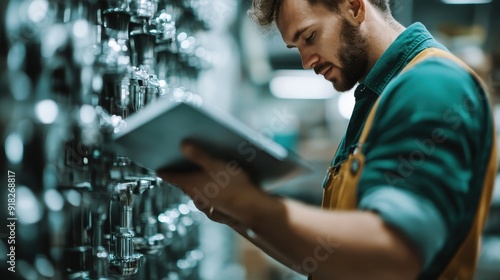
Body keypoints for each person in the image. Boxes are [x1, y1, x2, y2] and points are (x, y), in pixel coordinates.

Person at [158, 0, 497, 279]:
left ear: (353, 7)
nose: (306, 62)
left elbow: (395, 255)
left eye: (309, 37)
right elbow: (332, 260)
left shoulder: (430, 85)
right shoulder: (374, 101)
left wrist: (253, 205)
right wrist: (242, 217)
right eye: (296, 47)